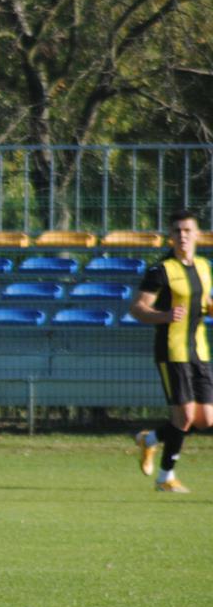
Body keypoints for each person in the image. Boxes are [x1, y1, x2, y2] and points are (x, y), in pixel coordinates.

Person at [131, 209, 212, 494]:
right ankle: (165, 477)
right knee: (185, 417)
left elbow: (204, 300)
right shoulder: (160, 270)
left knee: (206, 419)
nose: (183, 235)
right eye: (177, 231)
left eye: (188, 230)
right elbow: (138, 308)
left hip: (199, 351)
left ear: (198, 235)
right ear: (170, 236)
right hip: (172, 351)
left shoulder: (203, 266)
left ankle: (149, 439)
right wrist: (163, 316)